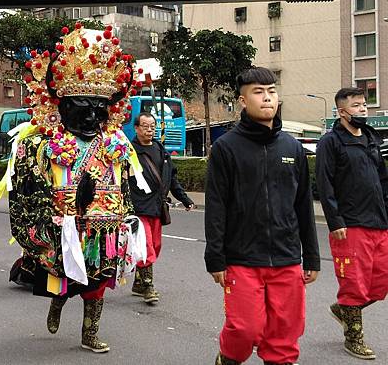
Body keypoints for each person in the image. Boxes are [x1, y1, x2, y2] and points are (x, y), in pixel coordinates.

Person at [4, 24, 149, 353]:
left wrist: (127, 218)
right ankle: (58, 301)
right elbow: (24, 199)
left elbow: (123, 186)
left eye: (100, 107)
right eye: (82, 105)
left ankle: (89, 332)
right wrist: (48, 224)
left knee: (99, 281)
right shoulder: (39, 145)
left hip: (104, 229)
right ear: (62, 104)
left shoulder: (115, 143)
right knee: (63, 280)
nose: (92, 115)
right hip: (60, 228)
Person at [205, 67, 320, 365]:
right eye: (258, 92)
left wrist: (312, 256)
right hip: (242, 258)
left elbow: (303, 205)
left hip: (287, 258)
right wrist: (215, 257)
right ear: (243, 101)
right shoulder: (226, 148)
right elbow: (216, 205)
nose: (267, 98)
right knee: (245, 329)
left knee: (284, 334)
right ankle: (227, 358)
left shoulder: (292, 147)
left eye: (271, 92)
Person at [316, 87, 388, 360]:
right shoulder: (331, 142)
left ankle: (343, 308)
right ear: (342, 111)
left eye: (364, 106)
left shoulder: (371, 138)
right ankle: (353, 338)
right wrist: (335, 221)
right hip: (350, 224)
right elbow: (325, 184)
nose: (362, 110)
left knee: (380, 283)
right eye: (357, 106)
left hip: (378, 222)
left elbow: (382, 180)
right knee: (354, 284)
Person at [129, 111, 195, 304]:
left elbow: (171, 178)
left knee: (156, 246)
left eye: (152, 126)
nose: (149, 130)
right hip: (138, 207)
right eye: (145, 126)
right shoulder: (129, 152)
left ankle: (139, 282)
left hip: (158, 207)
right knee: (146, 245)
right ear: (136, 128)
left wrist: (185, 199)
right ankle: (148, 286)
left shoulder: (161, 150)